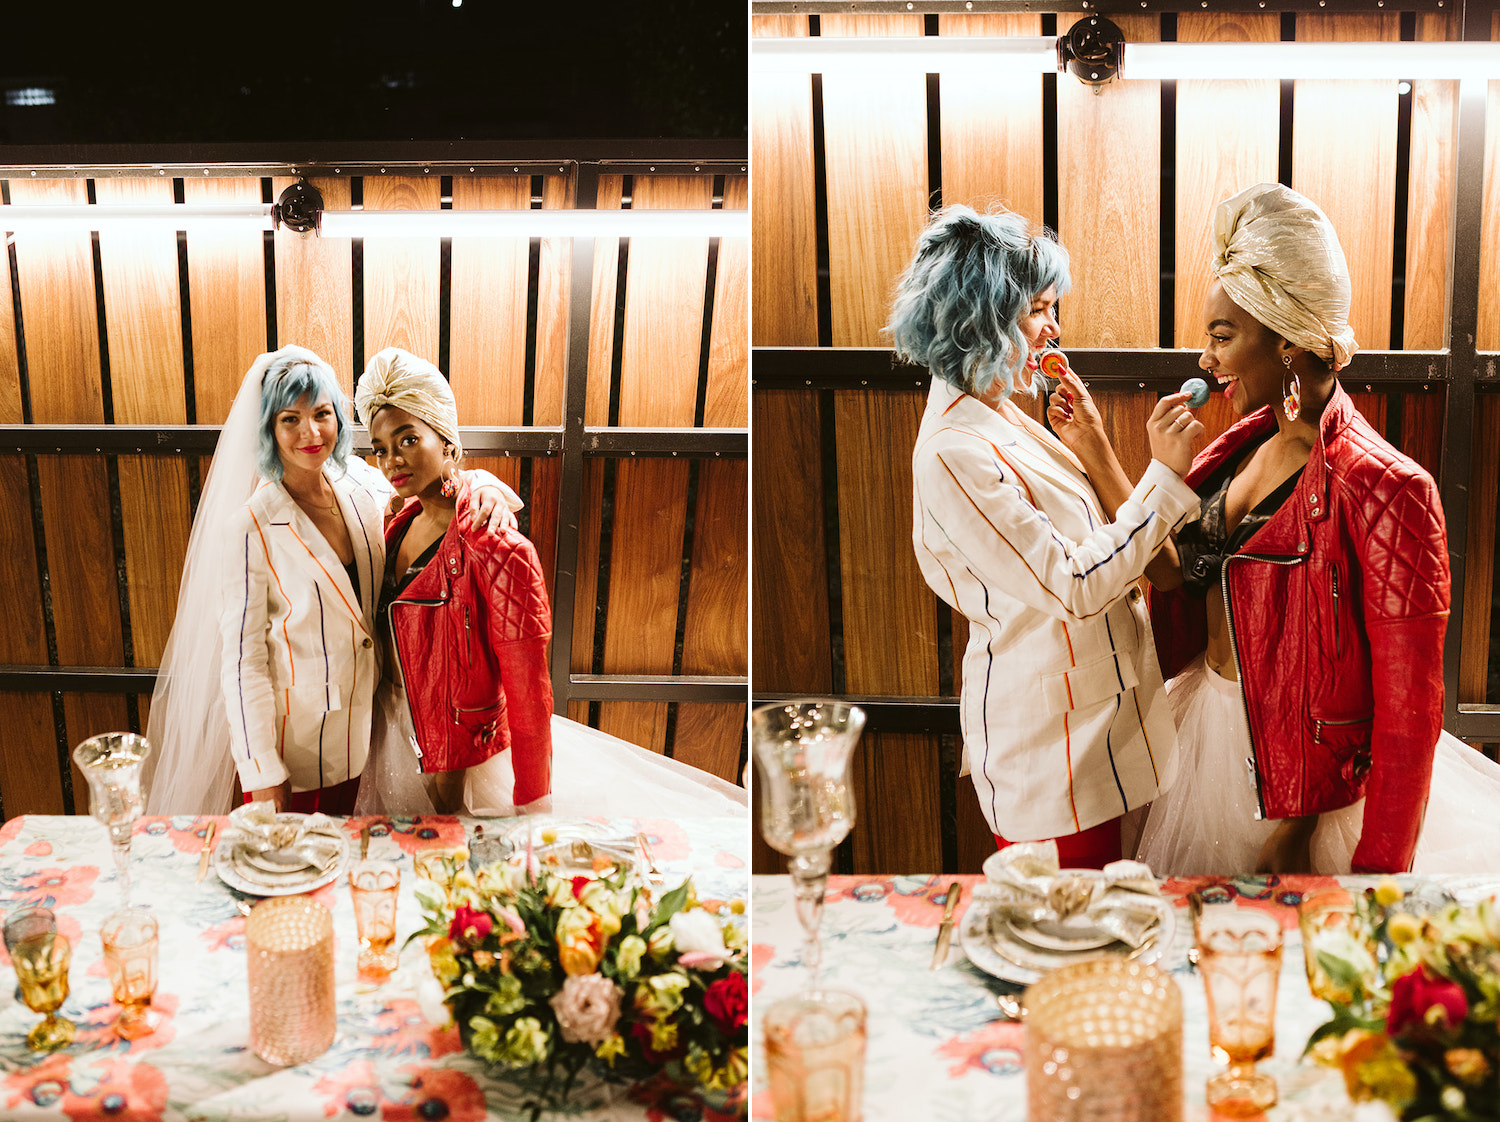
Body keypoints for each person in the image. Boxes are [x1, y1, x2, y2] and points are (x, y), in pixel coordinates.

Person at [1108, 181, 1500, 875]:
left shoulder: (1387, 487)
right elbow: (1176, 577)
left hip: (1309, 792)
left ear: (1287, 339)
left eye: (1223, 336)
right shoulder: (1229, 451)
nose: (1207, 359)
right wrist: (1104, 454)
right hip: (1203, 742)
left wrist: (1368, 872)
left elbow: (1408, 715)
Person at [895, 205, 1204, 868]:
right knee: (1069, 942)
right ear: (982, 315)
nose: (1054, 327)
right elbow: (1072, 583)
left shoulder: (996, 412)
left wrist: (1091, 444)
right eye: (1038, 309)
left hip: (1096, 724)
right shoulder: (953, 450)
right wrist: (1163, 478)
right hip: (1052, 750)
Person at [351, 348, 749, 820]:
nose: (393, 459)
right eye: (380, 448)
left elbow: (528, 687)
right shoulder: (393, 524)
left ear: (448, 441)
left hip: (464, 765)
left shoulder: (495, 543)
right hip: (390, 740)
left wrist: (532, 803)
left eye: (409, 439)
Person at [142, 345, 514, 816]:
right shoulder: (250, 528)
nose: (310, 432)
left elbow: (436, 479)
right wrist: (262, 774)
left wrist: (485, 486)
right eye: (289, 419)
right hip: (297, 754)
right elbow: (243, 663)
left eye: (321, 414)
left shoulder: (362, 485)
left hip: (372, 739)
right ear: (268, 430)